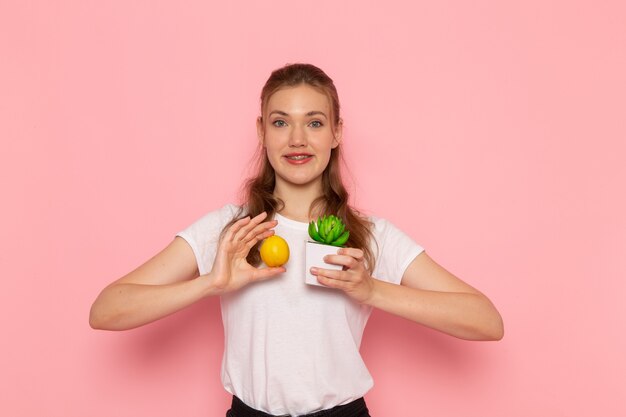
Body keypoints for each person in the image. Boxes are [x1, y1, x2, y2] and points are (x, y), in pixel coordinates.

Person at [89, 63, 504, 417]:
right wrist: (211, 283)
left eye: (315, 122)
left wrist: (371, 289)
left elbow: (486, 320)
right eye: (281, 121)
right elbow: (107, 310)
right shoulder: (231, 231)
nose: (298, 139)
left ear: (337, 132)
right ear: (262, 131)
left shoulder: (370, 236)